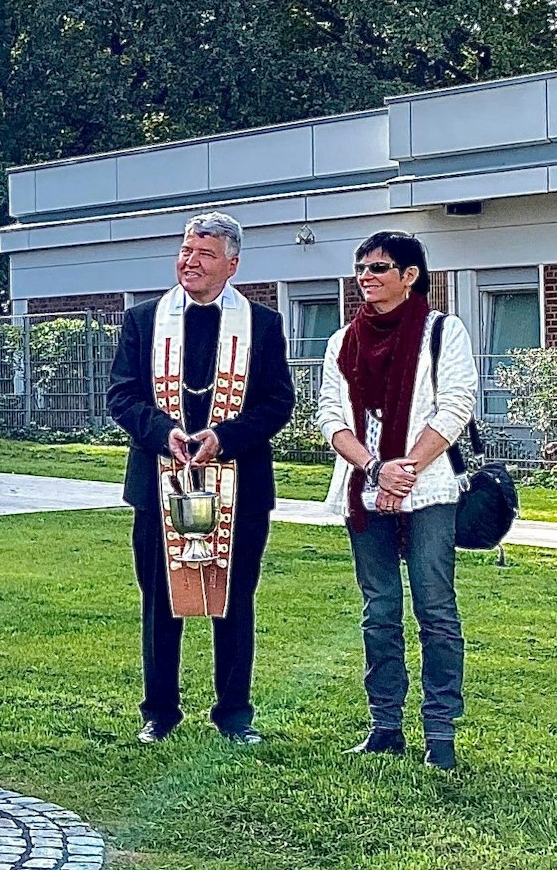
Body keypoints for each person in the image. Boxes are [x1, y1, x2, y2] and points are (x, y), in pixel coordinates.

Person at [108, 212, 293, 746]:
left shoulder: (262, 323)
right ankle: (159, 711)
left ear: (232, 264)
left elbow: (279, 401)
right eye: (186, 250)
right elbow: (122, 395)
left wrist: (226, 437)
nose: (190, 261)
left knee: (233, 597)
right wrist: (163, 432)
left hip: (239, 480)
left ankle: (234, 713)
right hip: (159, 479)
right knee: (161, 597)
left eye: (205, 253)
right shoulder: (144, 319)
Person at [315, 231, 475, 769]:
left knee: (436, 609)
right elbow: (331, 418)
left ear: (411, 276)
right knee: (379, 611)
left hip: (429, 490)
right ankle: (385, 725)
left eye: (380, 267)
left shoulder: (441, 331)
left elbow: (454, 407)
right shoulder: (342, 341)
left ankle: (440, 734)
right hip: (366, 489)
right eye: (361, 266)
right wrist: (377, 469)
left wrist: (406, 470)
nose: (366, 276)